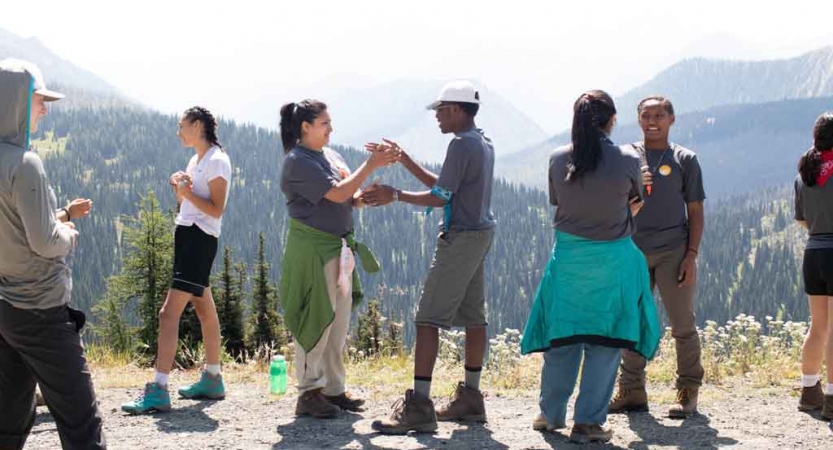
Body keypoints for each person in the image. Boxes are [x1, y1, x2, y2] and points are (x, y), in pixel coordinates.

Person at [520, 90, 661, 444]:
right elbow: (635, 204)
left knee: (563, 338)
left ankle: (550, 415)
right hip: (612, 261)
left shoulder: (556, 159)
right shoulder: (629, 158)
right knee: (605, 341)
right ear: (612, 120)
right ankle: (587, 423)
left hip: (568, 261)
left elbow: (560, 203)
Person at [364, 80, 496, 434]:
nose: (437, 116)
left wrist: (395, 194)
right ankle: (471, 398)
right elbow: (446, 186)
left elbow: (440, 198)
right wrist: (405, 159)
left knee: (427, 319)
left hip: (461, 238)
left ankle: (420, 406)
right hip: (480, 234)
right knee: (473, 317)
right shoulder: (481, 141)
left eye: (440, 110)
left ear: (455, 109)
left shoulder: (459, 144)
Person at [0, 58, 106, 449]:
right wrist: (69, 234)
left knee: (8, 418)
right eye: (38, 100)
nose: (44, 109)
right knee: (81, 420)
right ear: (16, 102)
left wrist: (60, 214)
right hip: (41, 308)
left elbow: (12, 225)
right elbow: (45, 242)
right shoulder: (26, 164)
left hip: (6, 308)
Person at [279, 99, 396, 418]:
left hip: (339, 248)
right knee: (315, 318)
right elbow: (336, 193)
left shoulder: (330, 156)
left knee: (337, 322)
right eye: (325, 123)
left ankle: (333, 389)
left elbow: (347, 196)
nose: (331, 128)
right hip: (313, 251)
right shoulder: (297, 161)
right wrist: (370, 165)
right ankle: (309, 392)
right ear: (306, 127)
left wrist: (365, 198)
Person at [122, 106, 232, 414]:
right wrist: (179, 190)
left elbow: (216, 209)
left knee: (167, 314)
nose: (178, 131)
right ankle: (212, 378)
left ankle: (158, 389)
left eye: (181, 126)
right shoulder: (197, 160)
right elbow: (188, 205)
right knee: (204, 310)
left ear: (197, 126)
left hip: (199, 240)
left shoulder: (218, 161)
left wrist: (187, 192)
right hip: (189, 237)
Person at [608, 96, 706, 418]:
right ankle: (632, 391)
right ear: (638, 119)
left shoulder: (685, 159)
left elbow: (695, 210)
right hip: (632, 250)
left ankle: (687, 390)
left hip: (674, 252)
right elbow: (609, 203)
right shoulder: (625, 157)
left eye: (659, 115)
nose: (652, 121)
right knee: (632, 322)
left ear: (672, 118)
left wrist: (691, 255)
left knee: (682, 324)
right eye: (646, 115)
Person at [795, 112, 833, 420]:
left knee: (818, 327)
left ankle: (810, 392)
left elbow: (802, 220)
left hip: (814, 253)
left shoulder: (805, 174)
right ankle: (832, 399)